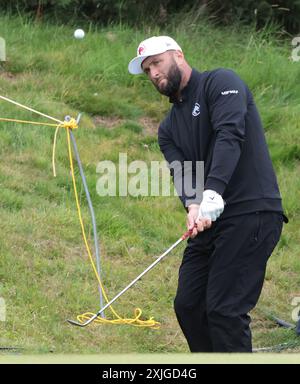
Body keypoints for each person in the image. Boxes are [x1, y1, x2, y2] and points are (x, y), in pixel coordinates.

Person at [128, 36, 288, 352]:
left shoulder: (221, 82)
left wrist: (212, 192)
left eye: (157, 63)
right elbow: (183, 174)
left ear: (178, 55)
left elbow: (231, 134)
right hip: (210, 222)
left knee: (224, 310)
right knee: (189, 306)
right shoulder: (168, 128)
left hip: (250, 213)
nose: (153, 74)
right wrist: (192, 205)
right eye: (147, 70)